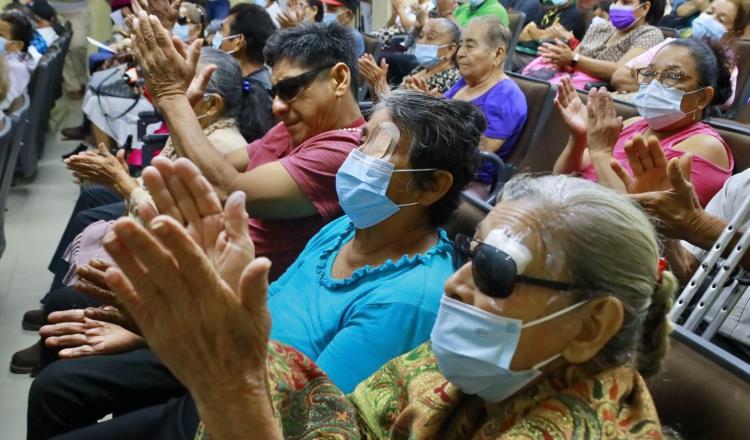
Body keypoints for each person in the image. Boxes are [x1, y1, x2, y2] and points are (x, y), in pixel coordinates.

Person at [27, 90, 486, 438]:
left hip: (251, 401)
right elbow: (265, 307)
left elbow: (310, 409)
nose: (354, 157)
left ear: (429, 188)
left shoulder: (410, 297)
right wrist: (163, 330)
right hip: (233, 356)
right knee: (57, 387)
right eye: (362, 139)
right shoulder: (346, 229)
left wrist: (179, 339)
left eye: (378, 150)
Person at [94, 172, 676, 439]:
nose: (455, 285)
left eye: (497, 274)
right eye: (470, 256)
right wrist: (240, 347)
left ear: (592, 324)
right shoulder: (458, 375)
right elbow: (339, 422)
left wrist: (229, 388)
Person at [9, 47, 271, 375]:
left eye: (178, 86)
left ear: (211, 104)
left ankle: (54, 345)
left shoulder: (218, 149)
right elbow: (155, 189)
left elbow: (167, 221)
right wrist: (124, 179)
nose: (164, 93)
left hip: (174, 266)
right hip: (155, 239)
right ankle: (53, 318)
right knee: (88, 219)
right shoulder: (198, 130)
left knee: (73, 291)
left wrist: (122, 183)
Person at [134, 15, 367, 281]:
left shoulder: (344, 152)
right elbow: (207, 171)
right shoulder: (296, 127)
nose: (277, 107)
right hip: (203, 264)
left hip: (238, 295)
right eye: (275, 93)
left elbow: (227, 189)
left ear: (339, 78)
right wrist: (183, 107)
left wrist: (171, 97)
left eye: (290, 89)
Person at [553, 37, 734, 206]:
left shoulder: (706, 146)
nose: (653, 84)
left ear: (702, 97)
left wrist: (601, 153)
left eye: (671, 76)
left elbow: (640, 222)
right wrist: (579, 138)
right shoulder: (635, 123)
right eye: (649, 73)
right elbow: (559, 180)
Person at [616, 147, 750, 357]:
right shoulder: (744, 183)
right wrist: (663, 223)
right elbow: (688, 269)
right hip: (694, 323)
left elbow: (695, 224)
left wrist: (695, 224)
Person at [436, 16, 527, 193]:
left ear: (497, 53)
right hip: (441, 167)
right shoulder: (465, 82)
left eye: (470, 46)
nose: (460, 52)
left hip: (469, 182)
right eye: (461, 44)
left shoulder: (506, 96)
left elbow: (479, 151)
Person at [612, 0, 750, 110]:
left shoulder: (725, 67)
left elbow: (718, 103)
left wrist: (643, 72)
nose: (709, 20)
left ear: (733, 34)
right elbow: (619, 76)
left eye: (720, 20)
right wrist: (669, 89)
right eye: (709, 12)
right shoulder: (669, 45)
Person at [523, 0, 665, 89]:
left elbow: (621, 71)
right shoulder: (600, 27)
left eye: (625, 2)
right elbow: (573, 59)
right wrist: (559, 56)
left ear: (645, 8)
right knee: (526, 81)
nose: (616, 6)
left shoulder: (650, 34)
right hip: (565, 78)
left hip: (593, 90)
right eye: (615, 1)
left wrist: (573, 60)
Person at [358, 17, 461, 100]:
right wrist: (377, 84)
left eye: (430, 38)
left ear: (450, 49)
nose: (421, 42)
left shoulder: (452, 80)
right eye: (421, 36)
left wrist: (381, 86)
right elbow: (392, 107)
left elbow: (410, 116)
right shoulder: (420, 69)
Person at [212, 3, 276, 92]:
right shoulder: (243, 84)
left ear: (238, 42)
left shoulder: (250, 95)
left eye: (221, 30)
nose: (217, 36)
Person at [511, 0, 587, 72]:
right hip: (523, 51)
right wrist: (540, 34)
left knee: (506, 60)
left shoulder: (574, 14)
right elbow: (522, 35)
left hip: (545, 58)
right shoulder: (549, 9)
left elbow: (545, 37)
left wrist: (535, 34)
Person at [51, 0, 90, 98]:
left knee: (78, 46)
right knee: (61, 47)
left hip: (78, 10)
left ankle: (82, 78)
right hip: (53, 9)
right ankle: (72, 85)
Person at [0, 11, 34, 111]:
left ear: (17, 45)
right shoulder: (19, 59)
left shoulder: (11, 68)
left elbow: (4, 104)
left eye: (0, 35)